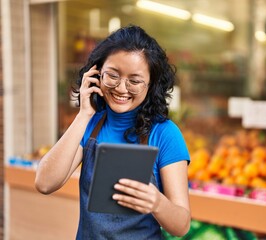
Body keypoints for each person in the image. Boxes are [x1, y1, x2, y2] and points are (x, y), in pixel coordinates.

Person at [35, 24, 191, 239]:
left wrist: (157, 203)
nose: (121, 88)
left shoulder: (165, 134)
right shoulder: (89, 124)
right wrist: (83, 114)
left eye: (134, 81)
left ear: (151, 84)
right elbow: (44, 183)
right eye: (113, 75)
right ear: (97, 73)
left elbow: (181, 226)